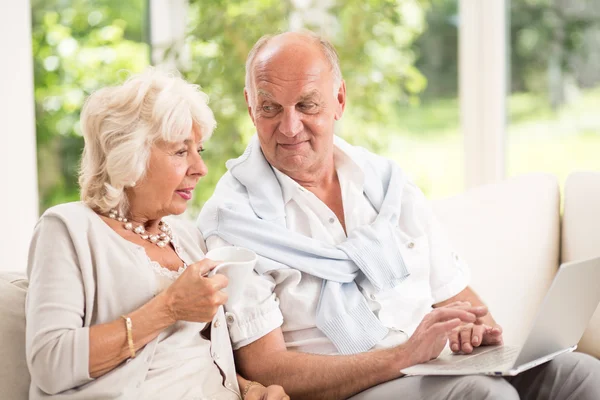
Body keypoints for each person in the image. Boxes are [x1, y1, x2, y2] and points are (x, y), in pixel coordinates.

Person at [197, 31, 600, 400]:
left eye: (307, 105)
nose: (289, 127)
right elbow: (267, 369)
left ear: (339, 100)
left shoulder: (386, 183)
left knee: (580, 374)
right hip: (350, 389)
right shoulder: (233, 222)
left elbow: (460, 298)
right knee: (482, 396)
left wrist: (475, 333)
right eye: (270, 108)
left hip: (436, 370)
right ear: (251, 107)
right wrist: (404, 356)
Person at [25, 69, 289, 400]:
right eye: (181, 151)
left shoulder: (187, 237)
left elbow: (191, 354)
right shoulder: (68, 229)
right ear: (129, 155)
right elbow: (50, 363)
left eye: (199, 151)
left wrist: (250, 388)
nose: (200, 168)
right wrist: (167, 308)